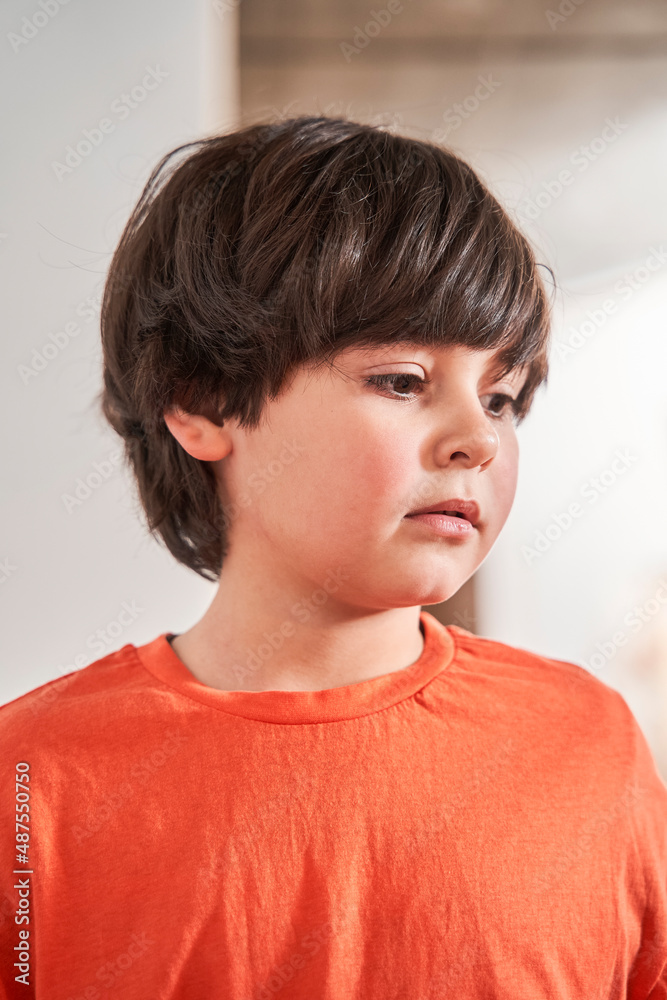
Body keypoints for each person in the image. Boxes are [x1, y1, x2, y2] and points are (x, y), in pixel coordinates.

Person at [1, 115, 665, 1000]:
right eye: (400, 381)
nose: (476, 436)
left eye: (503, 397)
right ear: (202, 399)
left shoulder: (587, 743)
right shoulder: (28, 782)